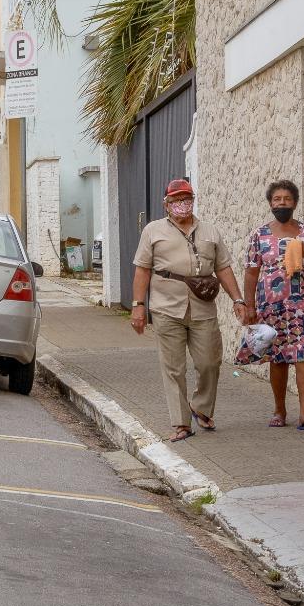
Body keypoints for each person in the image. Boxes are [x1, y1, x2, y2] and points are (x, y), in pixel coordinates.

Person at [132, 179, 246, 442]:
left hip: (203, 306)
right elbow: (142, 269)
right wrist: (138, 306)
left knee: (209, 362)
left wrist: (238, 300)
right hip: (165, 307)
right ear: (167, 204)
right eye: (176, 200)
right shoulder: (152, 231)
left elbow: (224, 268)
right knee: (173, 368)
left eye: (187, 199)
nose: (182, 205)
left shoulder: (210, 231)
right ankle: (181, 423)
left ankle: (201, 406)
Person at [237, 179, 304, 431]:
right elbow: (251, 272)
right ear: (270, 203)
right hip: (272, 305)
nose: (281, 203)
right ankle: (279, 410)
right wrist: (249, 306)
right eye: (276, 199)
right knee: (278, 357)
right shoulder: (259, 234)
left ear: (294, 202)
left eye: (286, 199)